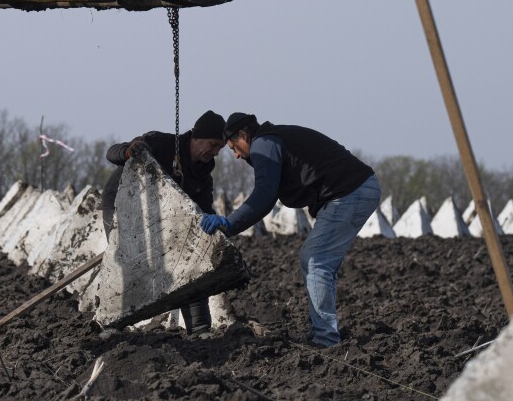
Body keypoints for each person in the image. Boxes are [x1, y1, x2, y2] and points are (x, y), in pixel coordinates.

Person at [200, 112, 380, 347]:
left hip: (350, 192)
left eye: (234, 146)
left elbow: (265, 194)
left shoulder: (264, 144)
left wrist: (230, 223)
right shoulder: (274, 139)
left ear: (244, 135)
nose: (235, 155)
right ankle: (322, 332)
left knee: (315, 260)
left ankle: (325, 338)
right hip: (353, 190)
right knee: (316, 260)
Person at [102, 109, 227, 335]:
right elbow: (112, 153)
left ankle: (200, 329)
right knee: (129, 261)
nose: (215, 152)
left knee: (191, 264)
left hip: (164, 219)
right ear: (197, 137)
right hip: (123, 204)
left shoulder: (202, 176)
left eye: (220, 148)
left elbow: (203, 210)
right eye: (213, 144)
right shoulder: (160, 143)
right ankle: (113, 326)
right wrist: (129, 151)